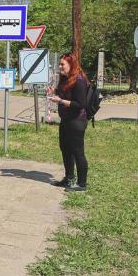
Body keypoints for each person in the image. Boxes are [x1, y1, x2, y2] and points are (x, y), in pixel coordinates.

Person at [49, 52, 89, 192]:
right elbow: (63, 92)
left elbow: (80, 104)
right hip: (65, 120)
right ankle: (69, 178)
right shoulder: (65, 79)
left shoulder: (78, 79)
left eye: (62, 64)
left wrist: (60, 101)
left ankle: (82, 184)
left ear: (71, 65)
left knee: (78, 152)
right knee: (65, 149)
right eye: (59, 64)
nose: (60, 66)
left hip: (77, 120)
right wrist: (55, 91)